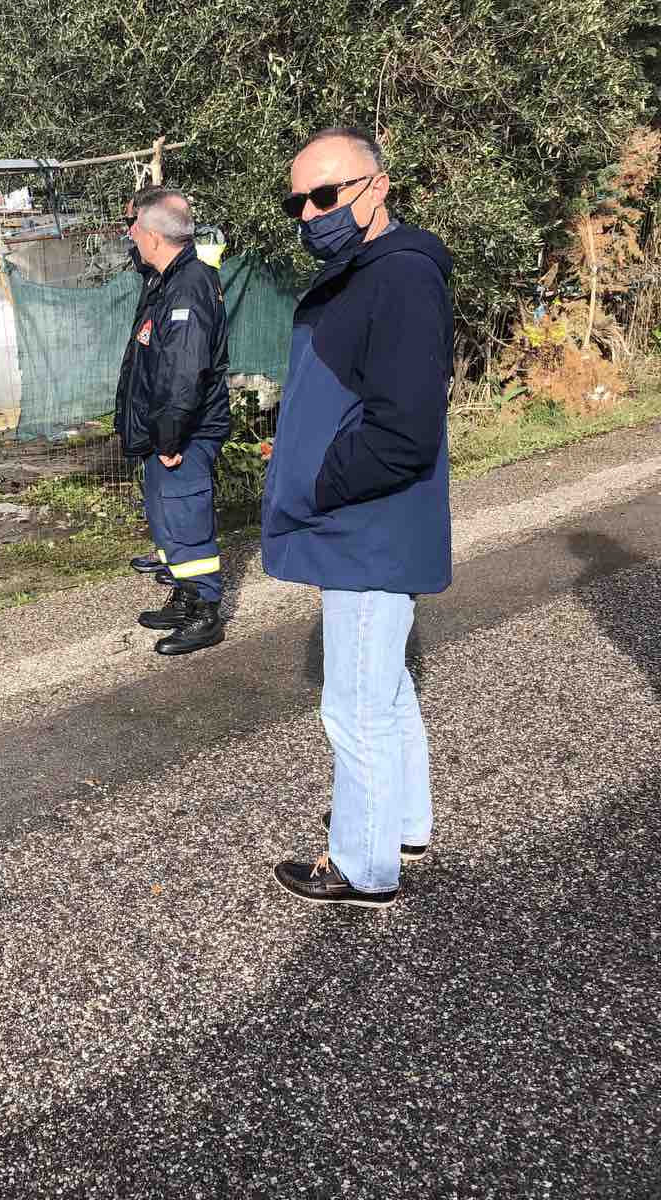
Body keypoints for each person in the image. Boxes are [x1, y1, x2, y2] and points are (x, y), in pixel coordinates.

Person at [264, 127, 455, 908]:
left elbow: (404, 431)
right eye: (298, 203)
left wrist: (317, 483)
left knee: (355, 704)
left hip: (367, 528)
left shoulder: (399, 276)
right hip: (363, 525)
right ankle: (399, 826)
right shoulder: (365, 272)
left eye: (325, 195)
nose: (311, 213)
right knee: (388, 689)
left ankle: (362, 865)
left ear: (377, 187)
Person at [113, 187, 231, 655]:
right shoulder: (166, 279)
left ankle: (205, 612)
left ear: (153, 236)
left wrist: (169, 436)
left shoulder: (188, 285)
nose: (130, 237)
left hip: (183, 432)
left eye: (134, 229)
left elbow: (184, 372)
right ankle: (184, 597)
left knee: (186, 520)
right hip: (165, 430)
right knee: (168, 517)